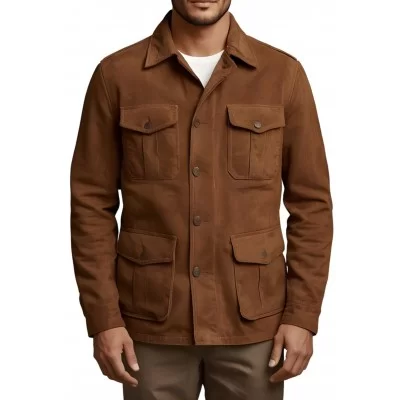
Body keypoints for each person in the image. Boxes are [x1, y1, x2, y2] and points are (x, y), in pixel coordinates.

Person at [70, 1, 334, 399]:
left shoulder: (282, 75)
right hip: (149, 327)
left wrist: (302, 315)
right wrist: (104, 318)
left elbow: (312, 206)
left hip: (255, 325)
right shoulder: (117, 75)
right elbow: (91, 205)